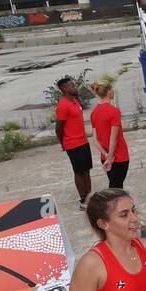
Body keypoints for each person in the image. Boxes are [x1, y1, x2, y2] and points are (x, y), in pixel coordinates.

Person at [54, 76, 91, 210]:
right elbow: (58, 128)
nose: (74, 87)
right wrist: (63, 144)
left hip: (83, 141)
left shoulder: (75, 102)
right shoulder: (63, 105)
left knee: (87, 170)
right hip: (73, 144)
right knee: (79, 171)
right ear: (64, 89)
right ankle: (83, 200)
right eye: (71, 86)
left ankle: (89, 196)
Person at [88, 80, 129, 190]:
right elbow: (113, 137)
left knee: (115, 186)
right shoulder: (114, 111)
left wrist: (105, 155)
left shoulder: (94, 112)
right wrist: (110, 157)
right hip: (119, 156)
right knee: (116, 188)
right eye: (112, 88)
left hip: (105, 156)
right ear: (109, 91)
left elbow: (95, 139)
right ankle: (111, 206)